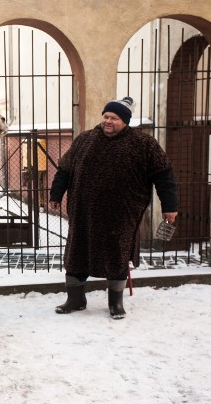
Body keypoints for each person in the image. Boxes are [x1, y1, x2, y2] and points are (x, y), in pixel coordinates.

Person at [49, 97, 178, 319]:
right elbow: (65, 169)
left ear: (125, 121)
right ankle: (75, 299)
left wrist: (170, 207)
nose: (108, 121)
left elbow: (164, 176)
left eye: (114, 118)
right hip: (83, 212)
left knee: (117, 252)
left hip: (122, 214)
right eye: (106, 116)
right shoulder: (85, 140)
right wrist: (55, 194)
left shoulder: (144, 144)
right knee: (77, 251)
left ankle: (115, 303)